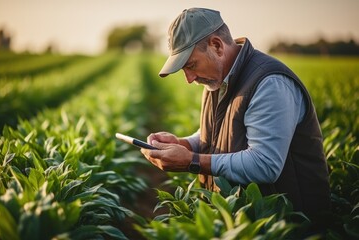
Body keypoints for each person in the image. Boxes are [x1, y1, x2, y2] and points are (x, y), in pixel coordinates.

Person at [140, 7, 331, 231]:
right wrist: (183, 143)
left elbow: (265, 164)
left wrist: (191, 160)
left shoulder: (270, 83)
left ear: (217, 46)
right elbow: (222, 131)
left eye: (190, 65)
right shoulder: (217, 80)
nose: (189, 79)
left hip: (284, 227)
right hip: (243, 223)